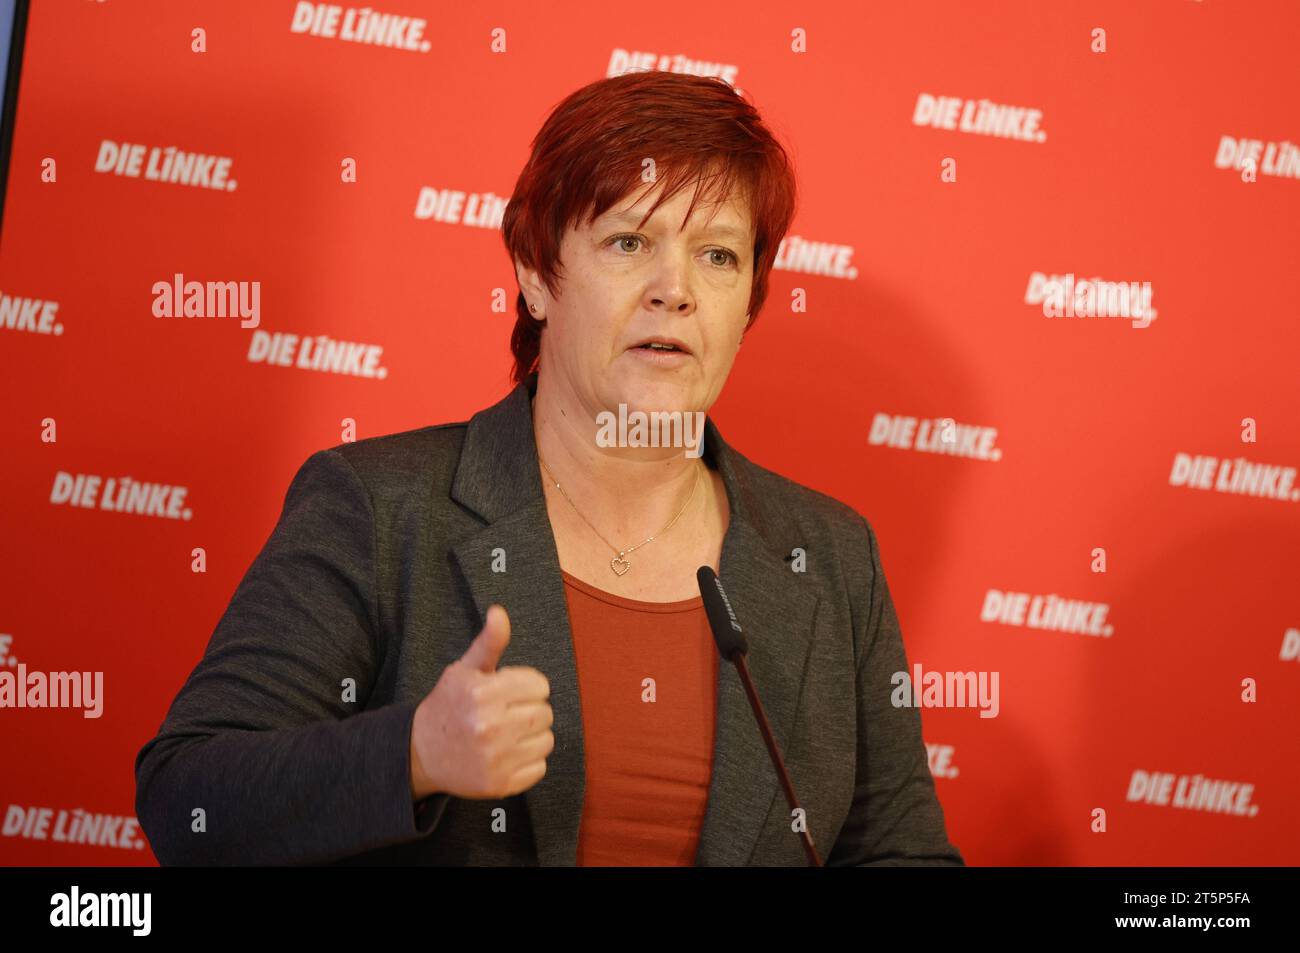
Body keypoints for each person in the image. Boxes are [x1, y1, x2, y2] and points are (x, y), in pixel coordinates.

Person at [134, 70, 964, 866]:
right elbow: (188, 800)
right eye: (629, 241)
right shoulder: (380, 507)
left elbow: (898, 851)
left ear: (748, 304)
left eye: (718, 256)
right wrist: (413, 754)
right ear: (536, 274)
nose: (674, 290)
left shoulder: (829, 554)